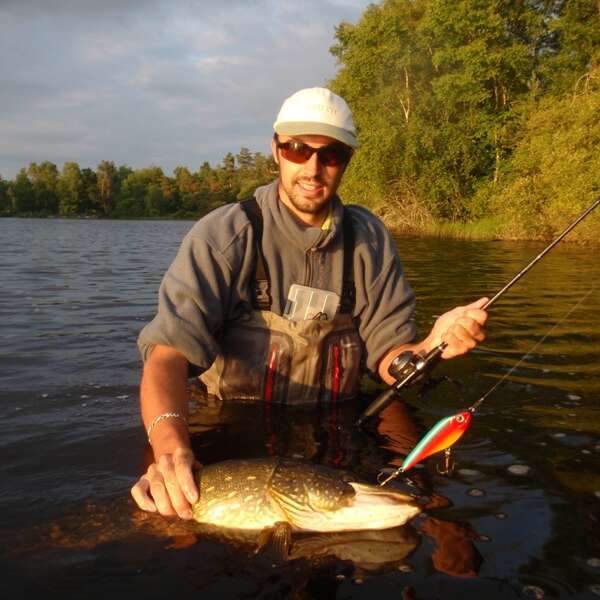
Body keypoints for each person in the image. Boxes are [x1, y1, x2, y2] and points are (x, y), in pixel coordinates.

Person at [130, 87, 488, 520]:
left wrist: (432, 345)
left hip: (338, 426)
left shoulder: (369, 240)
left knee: (411, 512)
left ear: (348, 159)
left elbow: (390, 357)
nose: (312, 168)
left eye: (330, 154)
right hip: (232, 424)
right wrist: (170, 447)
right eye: (298, 149)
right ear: (277, 150)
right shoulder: (224, 234)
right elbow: (167, 354)